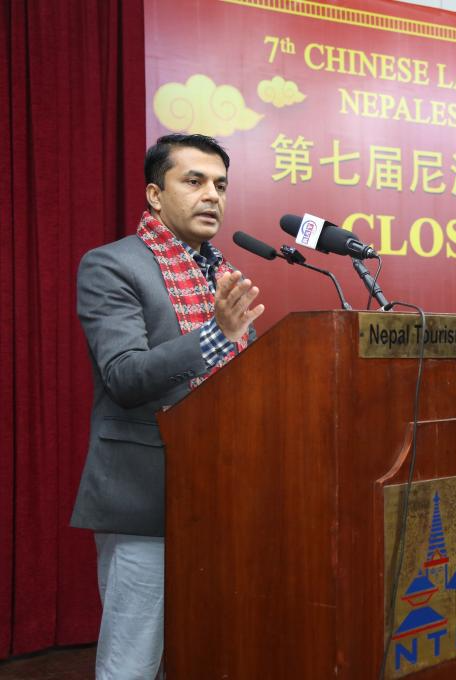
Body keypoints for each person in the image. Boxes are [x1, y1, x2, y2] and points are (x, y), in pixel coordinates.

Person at [70, 133, 264, 679]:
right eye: (194, 181)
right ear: (155, 195)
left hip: (225, 495)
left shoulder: (222, 275)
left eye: (220, 185)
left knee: (207, 651)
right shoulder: (112, 266)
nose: (212, 196)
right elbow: (125, 376)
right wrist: (216, 336)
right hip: (146, 496)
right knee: (133, 663)